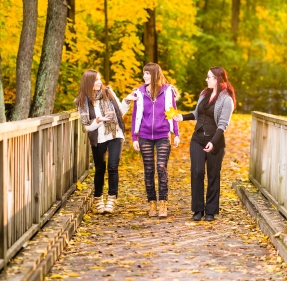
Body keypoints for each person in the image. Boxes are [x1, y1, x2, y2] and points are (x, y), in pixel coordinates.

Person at [173, 66, 235, 222]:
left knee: (213, 175)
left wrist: (213, 142)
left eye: (209, 77)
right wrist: (183, 117)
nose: (206, 79)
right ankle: (198, 209)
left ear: (217, 79)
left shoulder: (226, 99)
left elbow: (223, 124)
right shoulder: (204, 94)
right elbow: (196, 113)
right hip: (197, 139)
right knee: (197, 172)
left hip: (215, 141)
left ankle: (210, 211)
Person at [75, 69, 136, 214]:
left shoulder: (108, 93)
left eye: (99, 79)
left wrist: (126, 101)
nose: (99, 82)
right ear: (88, 82)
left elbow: (119, 112)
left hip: (115, 133)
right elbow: (87, 126)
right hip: (98, 137)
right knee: (100, 168)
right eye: (95, 80)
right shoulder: (81, 102)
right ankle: (98, 198)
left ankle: (111, 198)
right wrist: (97, 121)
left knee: (113, 166)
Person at [131, 62, 180, 218]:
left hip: (163, 134)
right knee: (149, 170)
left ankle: (163, 204)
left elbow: (173, 112)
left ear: (155, 75)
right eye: (144, 73)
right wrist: (134, 136)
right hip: (144, 135)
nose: (144, 76)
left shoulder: (167, 91)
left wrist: (176, 133)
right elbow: (135, 116)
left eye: (147, 73)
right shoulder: (139, 92)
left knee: (161, 167)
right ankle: (152, 203)